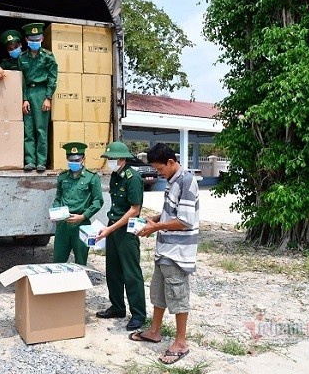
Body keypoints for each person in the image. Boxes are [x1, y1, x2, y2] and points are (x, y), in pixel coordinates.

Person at [130, 143, 199, 365]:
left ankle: (181, 342)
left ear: (171, 162)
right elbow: (173, 211)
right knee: (159, 293)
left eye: (160, 169)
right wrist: (156, 219)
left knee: (178, 296)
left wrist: (155, 228)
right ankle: (154, 331)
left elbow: (186, 220)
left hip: (177, 252)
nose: (159, 173)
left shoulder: (187, 181)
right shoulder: (173, 181)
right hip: (165, 250)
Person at [95, 141, 146, 331]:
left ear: (122, 159)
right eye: (108, 159)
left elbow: (134, 210)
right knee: (113, 270)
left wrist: (111, 229)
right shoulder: (115, 176)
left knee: (131, 272)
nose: (110, 162)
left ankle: (138, 314)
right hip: (113, 226)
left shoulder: (133, 178)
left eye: (112, 159)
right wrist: (109, 228)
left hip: (126, 230)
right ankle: (117, 307)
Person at [52, 142, 104, 265]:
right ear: (67, 159)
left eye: (77, 159)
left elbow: (98, 201)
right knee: (58, 261)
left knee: (81, 261)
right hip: (63, 224)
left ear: (83, 159)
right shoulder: (62, 177)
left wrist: (83, 216)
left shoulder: (92, 177)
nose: (74, 162)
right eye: (71, 160)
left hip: (82, 224)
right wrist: (55, 212)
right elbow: (58, 198)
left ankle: (80, 283)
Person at [18, 22, 58, 172]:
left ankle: (41, 162)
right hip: (28, 92)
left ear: (42, 38)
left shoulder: (48, 56)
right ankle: (30, 161)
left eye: (37, 39)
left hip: (42, 93)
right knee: (28, 129)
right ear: (27, 40)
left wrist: (48, 97)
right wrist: (24, 99)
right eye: (31, 40)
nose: (34, 42)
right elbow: (21, 79)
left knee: (41, 129)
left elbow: (53, 77)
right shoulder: (22, 58)